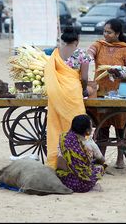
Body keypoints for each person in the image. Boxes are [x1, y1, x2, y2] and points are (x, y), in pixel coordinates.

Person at [87, 18, 126, 169]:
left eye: (109, 32)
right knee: (102, 127)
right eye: (104, 32)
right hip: (101, 91)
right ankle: (101, 158)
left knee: (121, 127)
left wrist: (120, 74)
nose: (106, 35)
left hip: (121, 93)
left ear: (117, 33)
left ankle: (121, 159)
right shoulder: (98, 45)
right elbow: (88, 55)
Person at [44, 26, 94, 170]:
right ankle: (76, 161)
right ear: (77, 41)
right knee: (76, 125)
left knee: (55, 126)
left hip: (56, 93)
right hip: (73, 92)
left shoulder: (56, 53)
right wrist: (84, 89)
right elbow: (84, 77)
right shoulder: (82, 54)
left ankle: (55, 162)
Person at [56, 114, 106, 193]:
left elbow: (60, 160)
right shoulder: (90, 143)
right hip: (83, 184)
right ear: (88, 131)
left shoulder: (64, 139)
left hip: (65, 181)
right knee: (101, 167)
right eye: (91, 126)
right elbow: (102, 160)